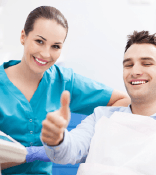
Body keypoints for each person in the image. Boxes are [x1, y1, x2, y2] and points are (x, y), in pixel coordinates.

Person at [0, 5, 130, 175]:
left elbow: (123, 101)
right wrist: (27, 156)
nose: (46, 54)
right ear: (23, 36)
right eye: (39, 41)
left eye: (55, 46)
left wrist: (77, 139)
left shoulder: (64, 81)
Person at [41, 30, 156, 175]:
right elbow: (69, 151)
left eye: (146, 63)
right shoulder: (101, 117)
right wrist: (57, 138)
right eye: (128, 65)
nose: (135, 71)